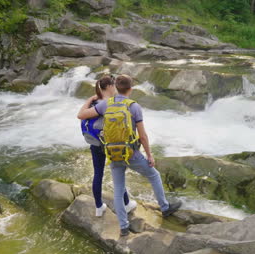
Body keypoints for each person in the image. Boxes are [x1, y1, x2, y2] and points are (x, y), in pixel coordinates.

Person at [77, 74, 181, 236]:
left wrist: (90, 99)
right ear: (131, 89)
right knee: (153, 175)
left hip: (113, 153)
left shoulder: (105, 104)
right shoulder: (134, 106)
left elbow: (82, 115)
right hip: (130, 153)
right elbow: (143, 136)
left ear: (116, 88)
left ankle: (124, 227)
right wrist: (149, 155)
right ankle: (165, 208)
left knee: (118, 189)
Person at [80, 75, 137, 217]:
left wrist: (90, 99)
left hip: (95, 142)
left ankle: (99, 207)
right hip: (111, 144)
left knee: (98, 173)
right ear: (110, 87)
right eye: (114, 85)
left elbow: (80, 115)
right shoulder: (109, 103)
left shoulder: (95, 102)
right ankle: (126, 204)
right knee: (118, 175)